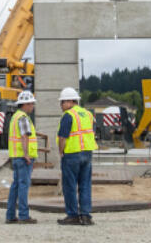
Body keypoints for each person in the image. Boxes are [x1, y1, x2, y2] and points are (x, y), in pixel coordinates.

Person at [56, 87, 97, 226]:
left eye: (62, 102)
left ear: (69, 101)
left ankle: (72, 216)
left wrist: (61, 152)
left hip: (72, 154)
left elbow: (63, 137)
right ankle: (86, 216)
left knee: (70, 186)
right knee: (85, 185)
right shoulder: (87, 114)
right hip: (87, 153)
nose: (61, 106)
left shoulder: (69, 115)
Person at [5, 90, 38, 225]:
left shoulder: (15, 117)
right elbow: (24, 136)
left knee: (16, 186)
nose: (33, 106)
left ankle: (10, 215)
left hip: (15, 156)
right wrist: (26, 154)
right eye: (31, 104)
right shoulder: (23, 117)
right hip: (23, 157)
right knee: (23, 185)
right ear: (26, 104)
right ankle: (24, 216)